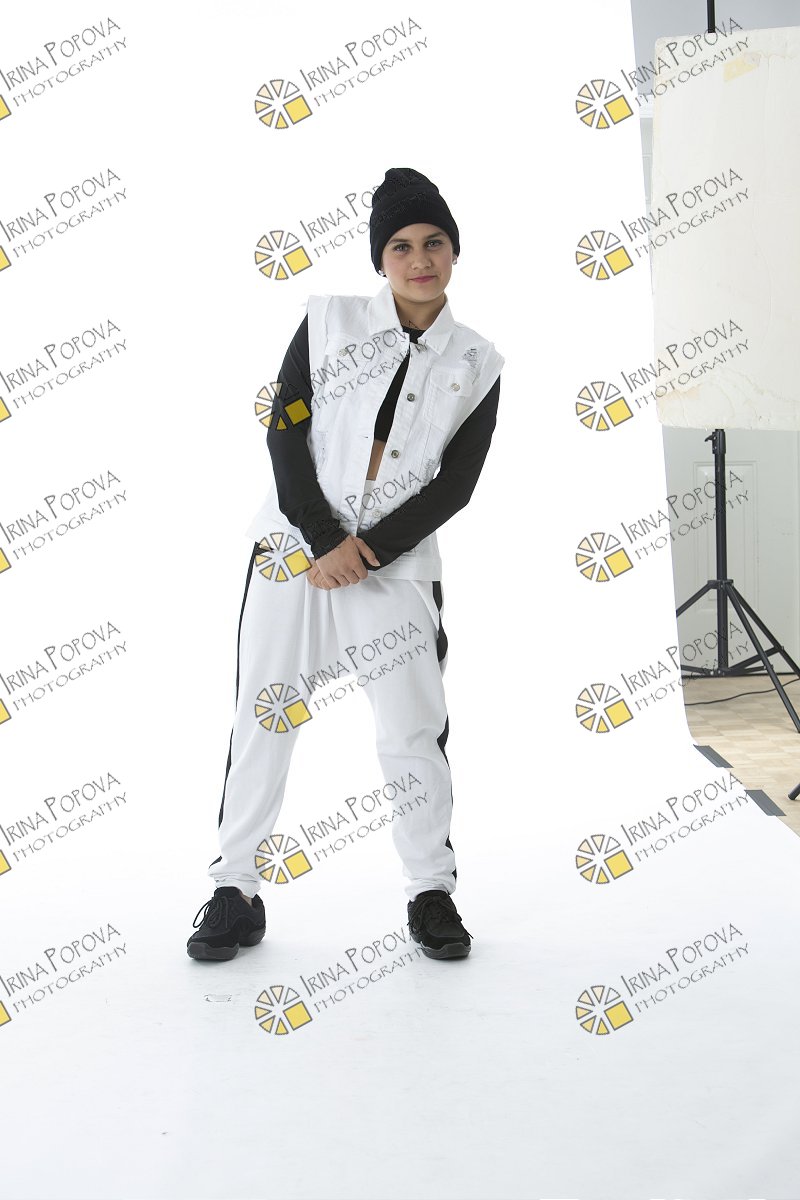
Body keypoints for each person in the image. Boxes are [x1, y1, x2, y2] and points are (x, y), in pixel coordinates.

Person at [186, 167, 504, 963]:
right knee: (265, 711)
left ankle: (430, 892)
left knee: (412, 728)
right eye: (401, 246)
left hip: (395, 568)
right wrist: (324, 538)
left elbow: (457, 483)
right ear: (380, 257)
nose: (419, 259)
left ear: (455, 251)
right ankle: (234, 889)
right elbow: (285, 428)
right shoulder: (327, 321)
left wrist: (371, 551)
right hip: (292, 552)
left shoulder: (478, 360)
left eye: (434, 242)